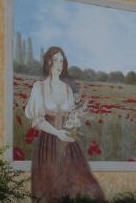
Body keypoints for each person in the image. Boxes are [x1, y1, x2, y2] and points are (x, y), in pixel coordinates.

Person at [24, 46, 104, 203]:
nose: (59, 64)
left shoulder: (67, 89)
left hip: (68, 145)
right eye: (56, 60)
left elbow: (71, 116)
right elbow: (38, 121)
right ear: (48, 62)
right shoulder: (39, 87)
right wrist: (58, 132)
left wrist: (73, 125)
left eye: (62, 61)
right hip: (48, 146)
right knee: (51, 189)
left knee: (84, 186)